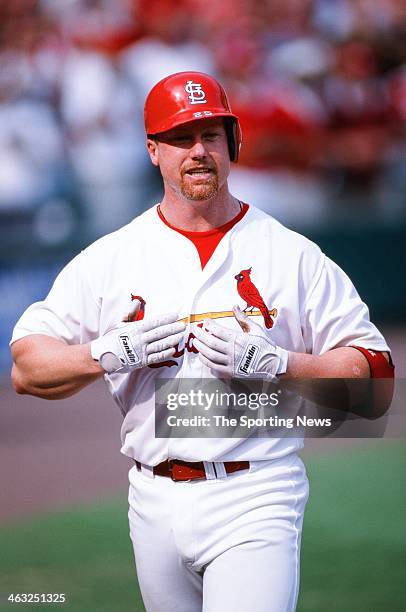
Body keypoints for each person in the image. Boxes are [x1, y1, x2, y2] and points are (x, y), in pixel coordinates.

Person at [10, 72, 394, 612]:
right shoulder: (113, 257)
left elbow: (374, 377)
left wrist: (281, 363)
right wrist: (105, 353)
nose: (198, 151)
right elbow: (27, 367)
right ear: (152, 151)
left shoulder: (291, 253)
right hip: (152, 497)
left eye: (211, 135)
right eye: (181, 138)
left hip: (257, 491)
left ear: (233, 143)